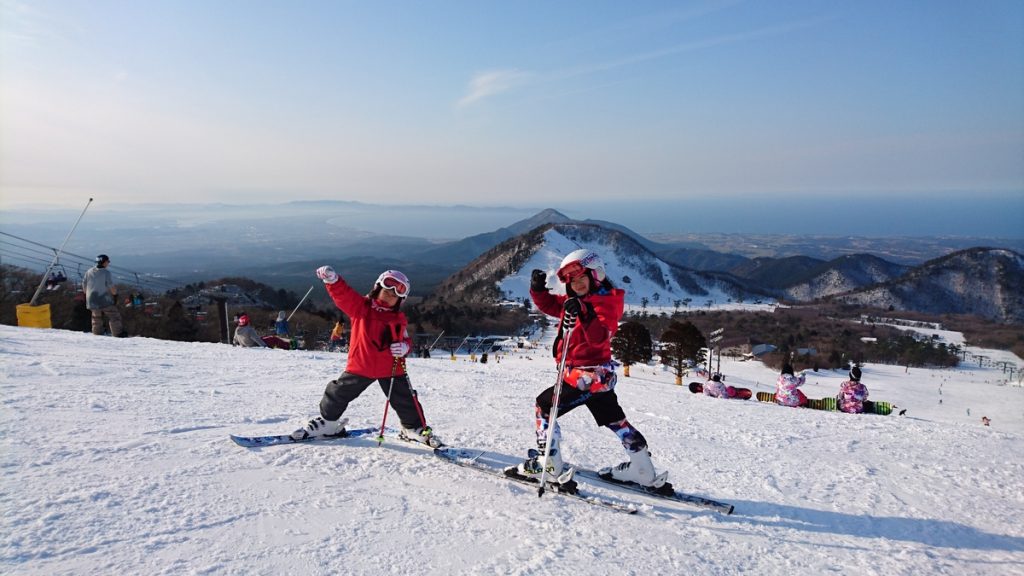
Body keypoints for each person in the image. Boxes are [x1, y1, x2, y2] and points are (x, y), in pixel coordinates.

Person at [515, 249, 665, 487]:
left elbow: (599, 337)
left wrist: (583, 313)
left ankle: (549, 464)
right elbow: (552, 306)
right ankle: (642, 469)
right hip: (598, 378)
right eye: (572, 281)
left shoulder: (606, 302)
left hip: (584, 376)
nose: (577, 283)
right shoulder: (576, 302)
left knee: (544, 407)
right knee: (615, 419)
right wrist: (538, 290)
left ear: (596, 275)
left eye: (581, 278)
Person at [290, 266, 442, 447]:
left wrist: (404, 348)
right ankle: (329, 423)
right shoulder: (361, 308)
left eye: (395, 296)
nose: (390, 296)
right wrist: (333, 281)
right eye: (386, 291)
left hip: (391, 367)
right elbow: (345, 296)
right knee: (338, 393)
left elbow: (406, 340)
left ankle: (413, 428)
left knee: (406, 399)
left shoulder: (398, 319)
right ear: (377, 289)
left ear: (400, 301)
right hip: (362, 365)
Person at [82, 254, 124, 337]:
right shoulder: (106, 272)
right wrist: (115, 295)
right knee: (113, 315)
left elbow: (84, 284)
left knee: (96, 317)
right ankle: (117, 333)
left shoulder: (89, 271)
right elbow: (111, 286)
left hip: (91, 300)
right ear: (104, 262)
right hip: (103, 299)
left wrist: (86, 295)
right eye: (108, 261)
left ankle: (97, 333)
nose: (108, 263)